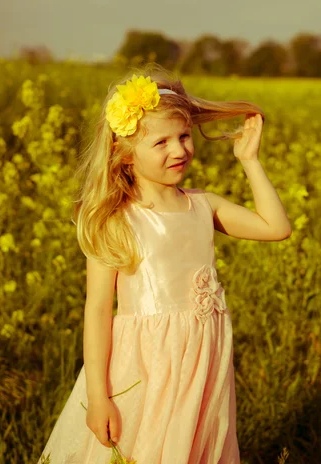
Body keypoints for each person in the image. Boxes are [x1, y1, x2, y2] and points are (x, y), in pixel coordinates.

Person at [37, 64, 292, 464]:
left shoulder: (204, 205)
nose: (180, 150)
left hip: (204, 360)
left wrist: (250, 161)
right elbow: (99, 310)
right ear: (124, 153)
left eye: (185, 136)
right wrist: (99, 397)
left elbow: (276, 228)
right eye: (162, 143)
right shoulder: (116, 218)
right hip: (146, 366)